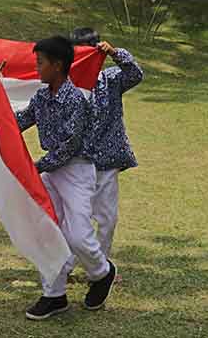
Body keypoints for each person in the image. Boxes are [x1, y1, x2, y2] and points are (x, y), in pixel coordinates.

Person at [15, 36, 116, 320]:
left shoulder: (76, 100)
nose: (36, 68)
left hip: (76, 172)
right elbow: (21, 120)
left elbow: (69, 145)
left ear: (58, 66)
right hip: (52, 171)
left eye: (40, 63)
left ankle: (102, 272)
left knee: (78, 236)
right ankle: (54, 294)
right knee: (49, 231)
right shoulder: (42, 96)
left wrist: (37, 167)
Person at [69, 28, 143, 267]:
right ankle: (65, 265)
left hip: (106, 163)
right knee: (73, 221)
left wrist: (115, 53)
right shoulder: (64, 85)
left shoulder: (111, 80)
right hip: (75, 164)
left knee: (107, 219)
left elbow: (135, 74)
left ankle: (99, 267)